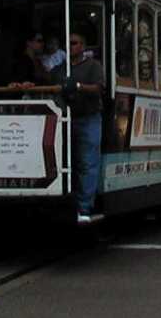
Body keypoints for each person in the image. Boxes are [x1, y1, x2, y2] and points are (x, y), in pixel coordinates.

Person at [54, 32, 104, 222]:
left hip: (89, 118)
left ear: (82, 46)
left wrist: (78, 86)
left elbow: (99, 88)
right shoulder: (60, 69)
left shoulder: (93, 66)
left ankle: (84, 208)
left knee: (87, 162)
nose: (70, 46)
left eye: (74, 43)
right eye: (67, 44)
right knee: (68, 162)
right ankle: (67, 203)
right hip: (65, 118)